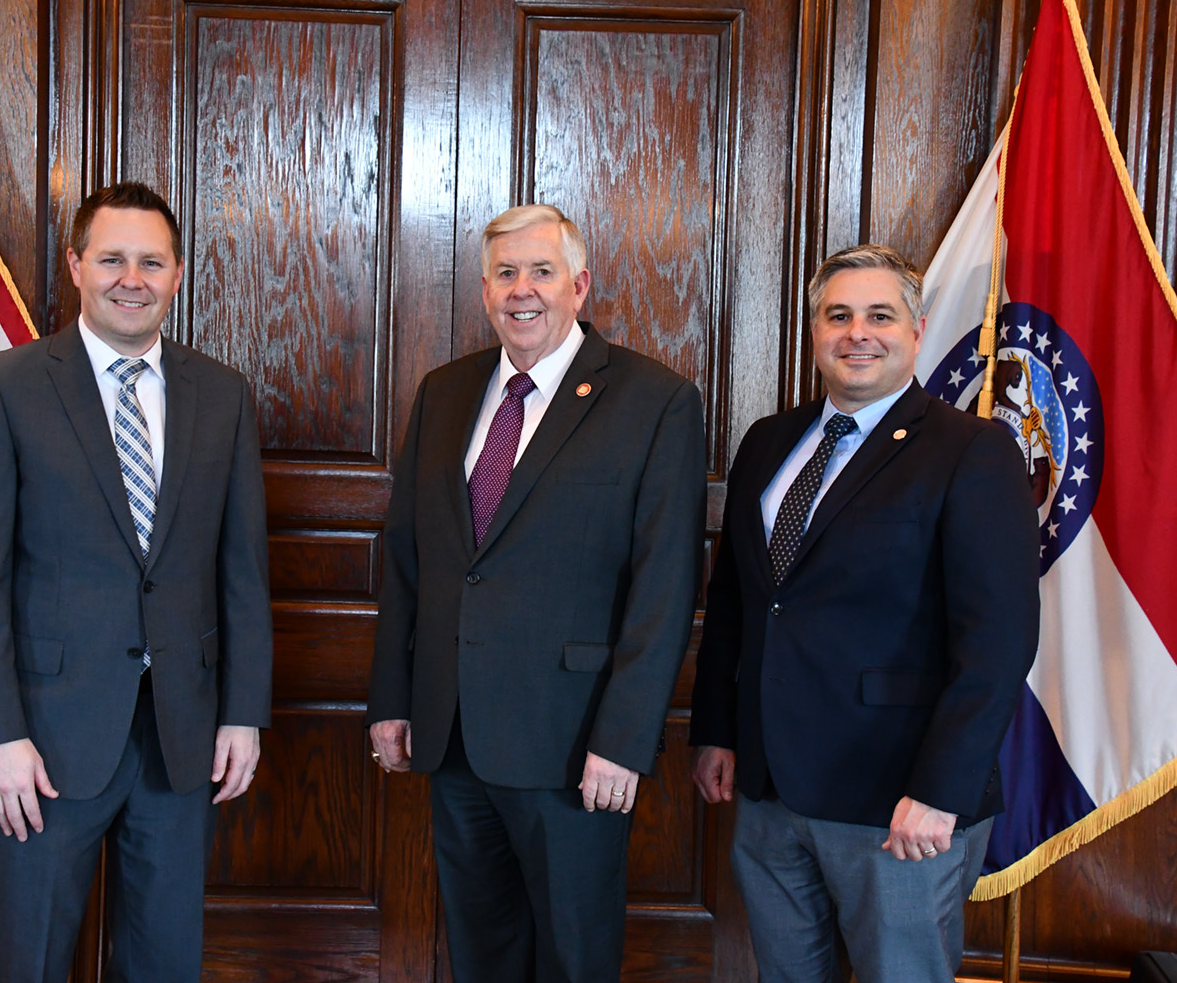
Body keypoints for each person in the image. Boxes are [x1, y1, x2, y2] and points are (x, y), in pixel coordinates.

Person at [0, 181, 273, 982]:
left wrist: (243, 715)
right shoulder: (5, 387)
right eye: (113, 259)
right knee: (32, 960)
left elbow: (243, 570)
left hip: (182, 738)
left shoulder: (222, 395)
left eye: (151, 262)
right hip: (44, 744)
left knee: (163, 962)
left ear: (178, 274)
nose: (133, 278)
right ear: (77, 265)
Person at [366, 204, 706, 982]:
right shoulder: (446, 391)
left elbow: (665, 588)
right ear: (485, 291)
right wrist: (394, 699)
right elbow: (411, 560)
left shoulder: (654, 401)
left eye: (542, 271)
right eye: (506, 274)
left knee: (573, 961)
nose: (524, 290)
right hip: (451, 738)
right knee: (482, 957)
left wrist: (623, 739)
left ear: (579, 285)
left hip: (574, 746)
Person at [689, 244, 1039, 983]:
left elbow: (998, 643)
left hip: (900, 801)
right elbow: (736, 604)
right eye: (837, 315)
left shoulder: (972, 451)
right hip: (768, 790)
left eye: (880, 315)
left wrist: (941, 790)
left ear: (916, 329)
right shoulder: (768, 441)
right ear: (814, 331)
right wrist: (717, 729)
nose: (858, 333)